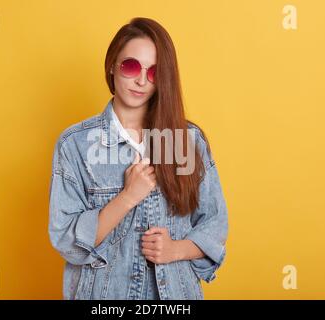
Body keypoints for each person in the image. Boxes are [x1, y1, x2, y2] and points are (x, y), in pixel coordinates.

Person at [48, 17, 228, 300]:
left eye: (154, 72)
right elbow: (67, 241)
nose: (142, 80)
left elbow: (214, 225)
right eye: (131, 66)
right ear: (112, 65)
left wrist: (175, 249)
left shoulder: (187, 141)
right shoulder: (75, 145)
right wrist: (128, 197)